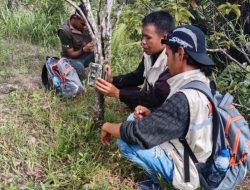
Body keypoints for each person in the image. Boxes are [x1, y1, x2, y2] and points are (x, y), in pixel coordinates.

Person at [100, 25, 215, 190]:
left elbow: (136, 133)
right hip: (195, 151)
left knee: (125, 140)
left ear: (181, 53)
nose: (167, 62)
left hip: (190, 169)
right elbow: (181, 119)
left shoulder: (185, 97)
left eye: (168, 55)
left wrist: (107, 126)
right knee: (133, 119)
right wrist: (152, 113)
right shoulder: (201, 82)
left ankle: (160, 184)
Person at [95, 11, 174, 110]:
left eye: (148, 38)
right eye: (142, 37)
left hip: (164, 106)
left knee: (128, 94)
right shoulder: (149, 54)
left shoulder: (172, 61)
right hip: (152, 96)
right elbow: (137, 76)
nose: (143, 42)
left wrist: (117, 93)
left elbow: (156, 97)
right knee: (127, 89)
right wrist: (112, 80)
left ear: (164, 38)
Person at [58, 4, 94, 80]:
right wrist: (84, 49)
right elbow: (70, 54)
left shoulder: (88, 25)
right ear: (75, 18)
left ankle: (94, 78)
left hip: (86, 55)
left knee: (101, 54)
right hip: (71, 59)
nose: (85, 27)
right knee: (79, 68)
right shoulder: (64, 31)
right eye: (83, 24)